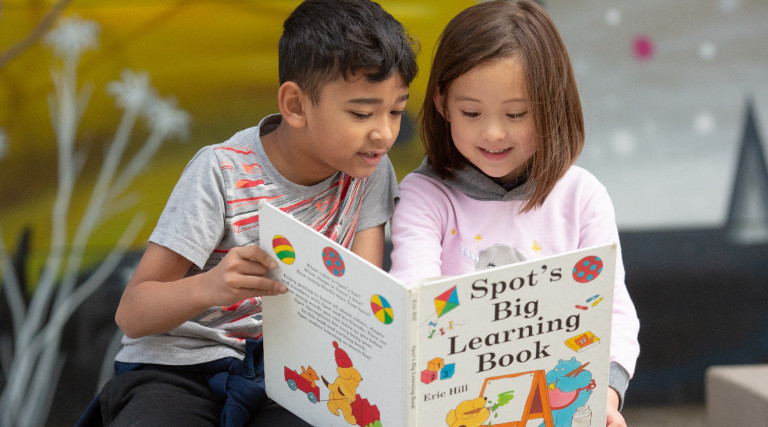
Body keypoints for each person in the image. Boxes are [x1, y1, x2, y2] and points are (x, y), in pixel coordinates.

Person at [76, 1, 418, 426]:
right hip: (179, 369)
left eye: (396, 111)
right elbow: (132, 312)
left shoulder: (370, 170)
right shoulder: (220, 172)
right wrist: (212, 286)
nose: (384, 133)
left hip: (293, 372)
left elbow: (360, 300)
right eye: (362, 113)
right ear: (295, 105)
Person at [387, 1, 639, 426]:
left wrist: (607, 395)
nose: (493, 133)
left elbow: (610, 309)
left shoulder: (582, 196)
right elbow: (416, 297)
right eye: (471, 112)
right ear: (442, 104)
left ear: (551, 105)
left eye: (516, 113)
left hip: (558, 402)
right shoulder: (425, 195)